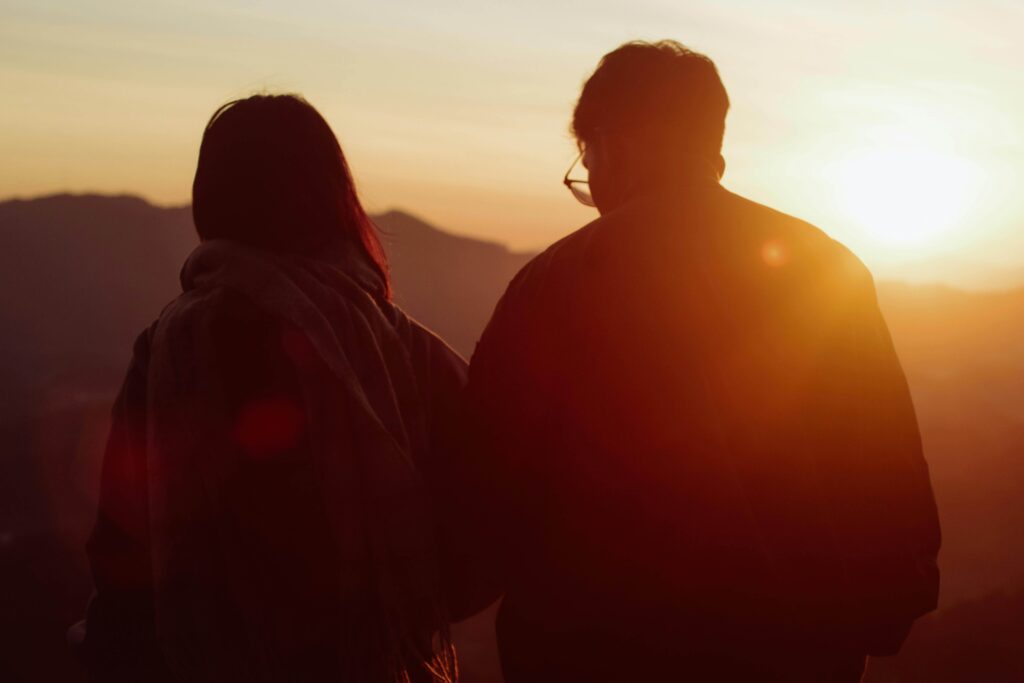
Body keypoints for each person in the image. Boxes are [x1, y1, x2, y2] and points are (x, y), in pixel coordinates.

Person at [450, 40, 941, 682]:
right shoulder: (826, 268)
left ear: (612, 144)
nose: (591, 185)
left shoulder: (552, 285)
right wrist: (867, 623)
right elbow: (890, 480)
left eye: (586, 159)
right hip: (797, 657)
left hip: (589, 655)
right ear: (713, 149)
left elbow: (484, 500)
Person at [73, 94, 464, 682]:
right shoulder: (401, 348)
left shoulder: (173, 347)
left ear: (211, 200)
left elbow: (123, 549)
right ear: (336, 199)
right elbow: (491, 503)